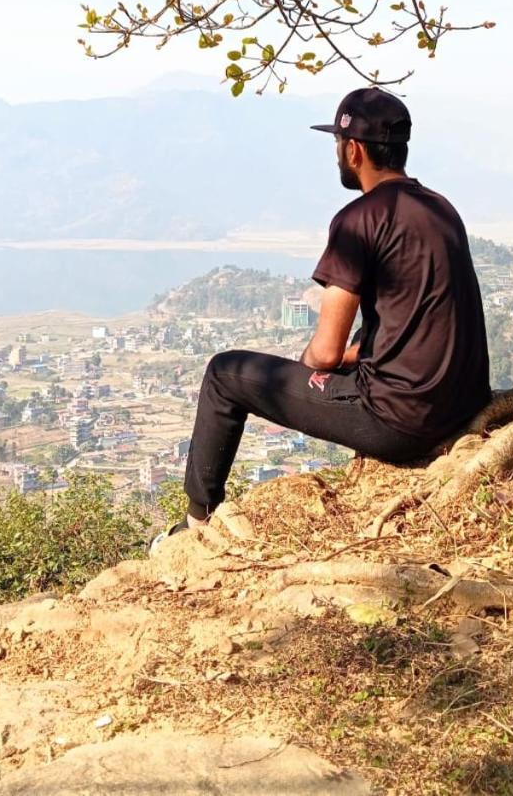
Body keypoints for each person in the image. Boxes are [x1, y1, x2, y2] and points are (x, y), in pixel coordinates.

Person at [158, 86, 491, 544]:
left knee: (225, 374)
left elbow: (325, 351)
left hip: (399, 421)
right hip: (461, 405)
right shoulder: (441, 208)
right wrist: (362, 356)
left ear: (353, 150)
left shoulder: (359, 219)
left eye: (338, 143)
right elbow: (417, 315)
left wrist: (307, 376)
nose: (337, 153)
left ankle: (196, 524)